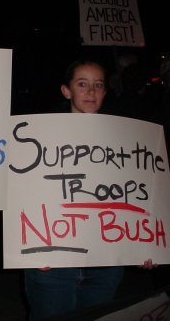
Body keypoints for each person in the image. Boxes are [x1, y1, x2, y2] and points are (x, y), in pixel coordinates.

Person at [24, 58, 156, 321]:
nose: (91, 91)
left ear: (106, 91)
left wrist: (146, 243)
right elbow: (24, 193)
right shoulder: (40, 137)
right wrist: (26, 248)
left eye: (98, 85)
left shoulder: (128, 141)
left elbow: (140, 193)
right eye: (82, 84)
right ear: (66, 90)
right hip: (54, 261)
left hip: (106, 264)